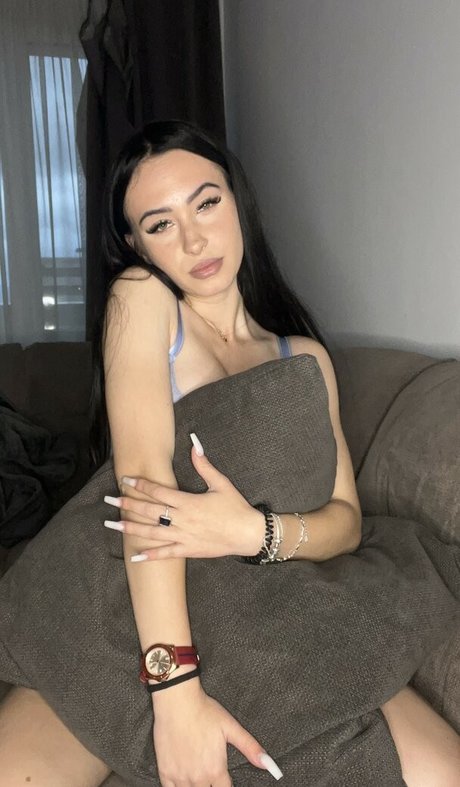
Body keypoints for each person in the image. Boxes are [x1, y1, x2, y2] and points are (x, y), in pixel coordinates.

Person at [0, 120, 459, 787]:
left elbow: (346, 522)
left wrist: (253, 531)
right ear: (134, 245)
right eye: (160, 224)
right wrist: (175, 693)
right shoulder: (143, 299)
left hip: (271, 608)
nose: (193, 239)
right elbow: (145, 484)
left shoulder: (304, 358)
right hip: (128, 606)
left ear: (237, 200)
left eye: (206, 203)